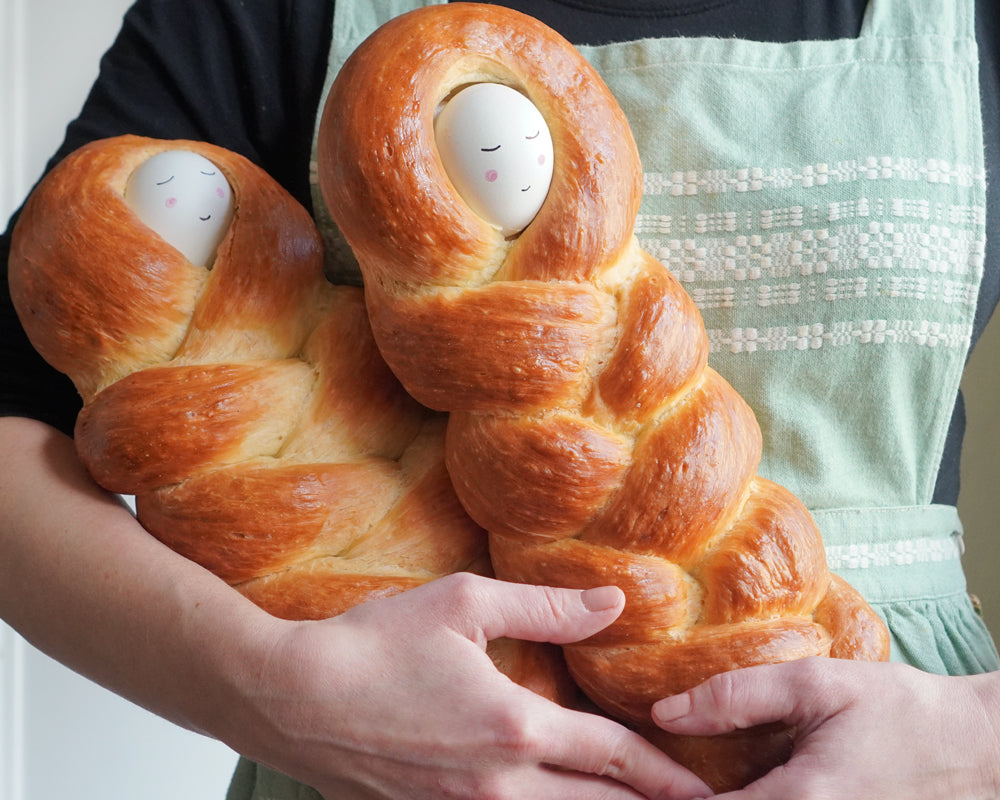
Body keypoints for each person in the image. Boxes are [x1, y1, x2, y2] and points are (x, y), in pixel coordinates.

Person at [2, 1, 999, 798]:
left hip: (908, 749)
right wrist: (267, 686)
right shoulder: (258, 10)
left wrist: (976, 741)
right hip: (380, 757)